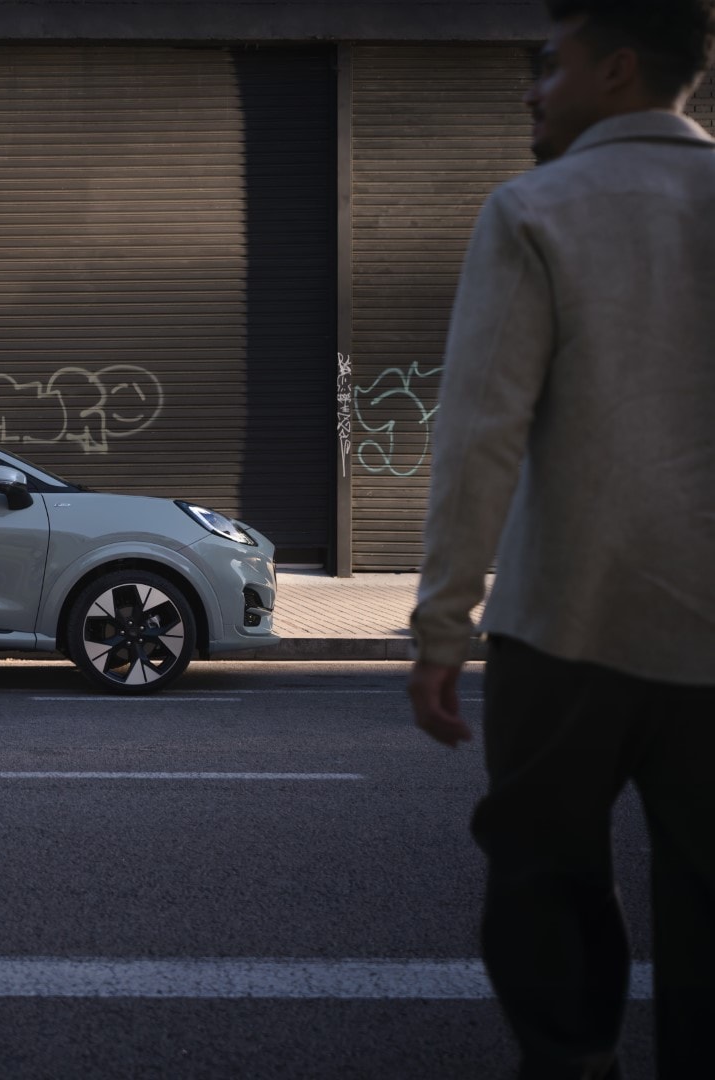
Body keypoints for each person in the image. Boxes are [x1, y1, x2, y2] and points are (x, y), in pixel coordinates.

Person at [406, 2, 715, 1076]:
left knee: (546, 882)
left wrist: (442, 622)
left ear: (618, 70)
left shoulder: (535, 210)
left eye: (551, 65)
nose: (532, 89)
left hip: (564, 629)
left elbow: (481, 430)